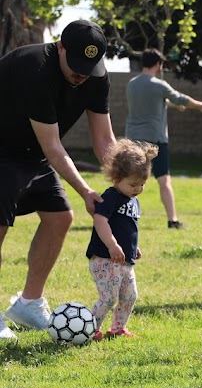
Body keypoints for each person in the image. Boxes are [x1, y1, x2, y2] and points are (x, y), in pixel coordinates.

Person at [0, 19, 116, 341]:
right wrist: (86, 191)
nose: (81, 74)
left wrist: (122, 186)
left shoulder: (94, 75)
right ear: (60, 47)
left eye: (88, 67)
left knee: (59, 218)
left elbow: (104, 140)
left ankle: (29, 303)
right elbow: (53, 148)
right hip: (3, 149)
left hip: (30, 151)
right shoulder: (35, 69)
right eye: (76, 64)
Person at [124, 48, 202, 230]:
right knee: (164, 180)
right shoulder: (159, 85)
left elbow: (150, 105)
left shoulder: (132, 84)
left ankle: (118, 215)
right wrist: (200, 105)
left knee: (128, 179)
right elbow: (180, 98)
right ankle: (173, 220)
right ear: (158, 64)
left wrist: (168, 105)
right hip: (156, 141)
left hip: (133, 141)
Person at [86, 139, 157, 339]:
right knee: (108, 298)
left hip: (124, 260)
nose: (138, 189)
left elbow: (127, 228)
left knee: (129, 296)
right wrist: (112, 245)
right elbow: (100, 221)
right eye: (133, 184)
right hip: (105, 258)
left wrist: (134, 246)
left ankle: (118, 327)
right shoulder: (111, 197)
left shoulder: (134, 201)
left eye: (142, 184)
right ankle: (90, 328)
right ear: (117, 178)